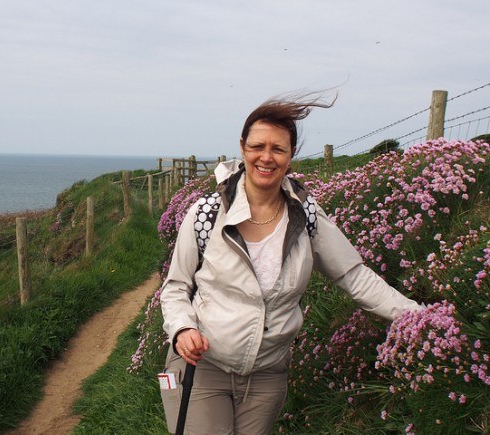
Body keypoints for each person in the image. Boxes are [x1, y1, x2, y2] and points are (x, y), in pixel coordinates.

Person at [159, 95, 421, 435]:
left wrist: (417, 315)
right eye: (257, 146)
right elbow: (176, 287)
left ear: (291, 155)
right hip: (202, 366)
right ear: (242, 147)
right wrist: (182, 328)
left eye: (278, 149)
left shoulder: (307, 216)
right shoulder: (206, 214)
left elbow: (354, 276)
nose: (266, 157)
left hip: (268, 375)